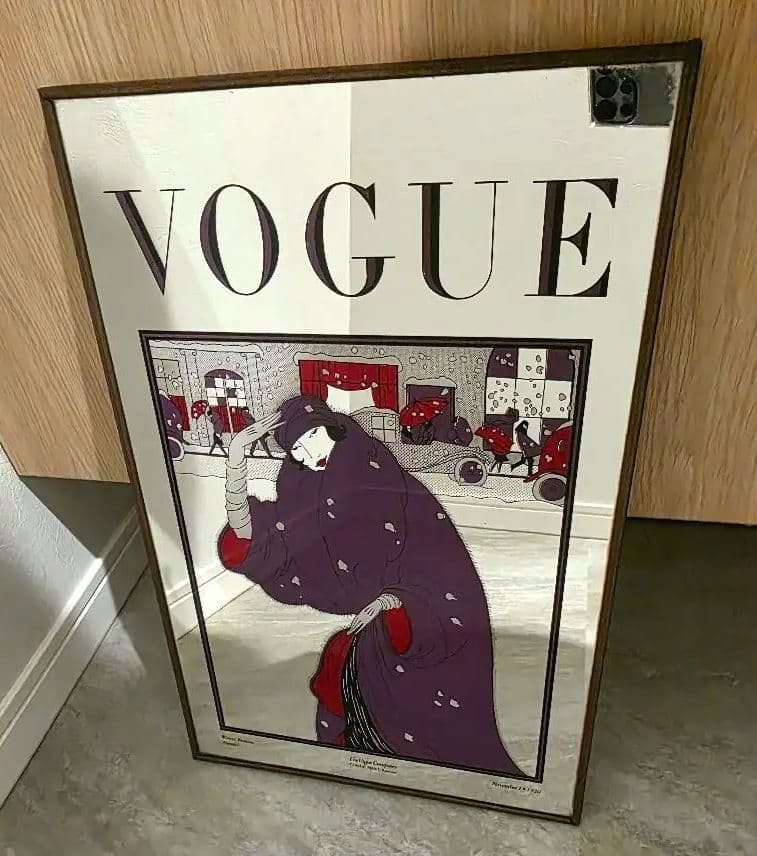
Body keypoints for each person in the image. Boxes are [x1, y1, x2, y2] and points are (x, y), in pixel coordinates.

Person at [217, 395, 523, 776]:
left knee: (362, 666)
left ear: (332, 429)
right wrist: (236, 460)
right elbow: (261, 537)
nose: (308, 454)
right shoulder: (305, 486)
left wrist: (392, 601)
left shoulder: (376, 474)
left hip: (428, 613)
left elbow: (433, 563)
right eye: (296, 450)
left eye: (311, 438)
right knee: (342, 664)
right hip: (380, 617)